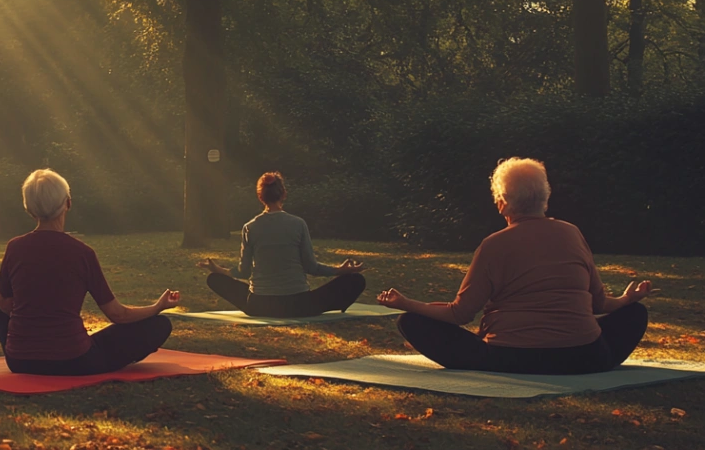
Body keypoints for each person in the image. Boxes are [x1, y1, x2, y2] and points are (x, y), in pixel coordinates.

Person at [377, 158, 652, 375]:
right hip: (586, 357)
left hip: (510, 359)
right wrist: (628, 299)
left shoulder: (493, 245)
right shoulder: (572, 233)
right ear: (545, 197)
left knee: (411, 322)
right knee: (635, 314)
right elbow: (599, 304)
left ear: (501, 203)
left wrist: (407, 303)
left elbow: (460, 314)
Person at [0, 169, 178, 376]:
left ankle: (27, 350)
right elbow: (117, 314)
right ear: (68, 203)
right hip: (74, 361)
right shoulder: (82, 253)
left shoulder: (14, 247)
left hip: (19, 361)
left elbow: (3, 305)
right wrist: (157, 307)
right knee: (159, 325)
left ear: (29, 209)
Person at [196, 172, 366, 318]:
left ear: (260, 197)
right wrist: (340, 270)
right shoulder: (298, 224)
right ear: (283, 193)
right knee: (355, 280)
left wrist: (218, 270)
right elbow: (311, 267)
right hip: (298, 305)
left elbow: (243, 272)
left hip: (258, 305)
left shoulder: (250, 227)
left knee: (215, 279)